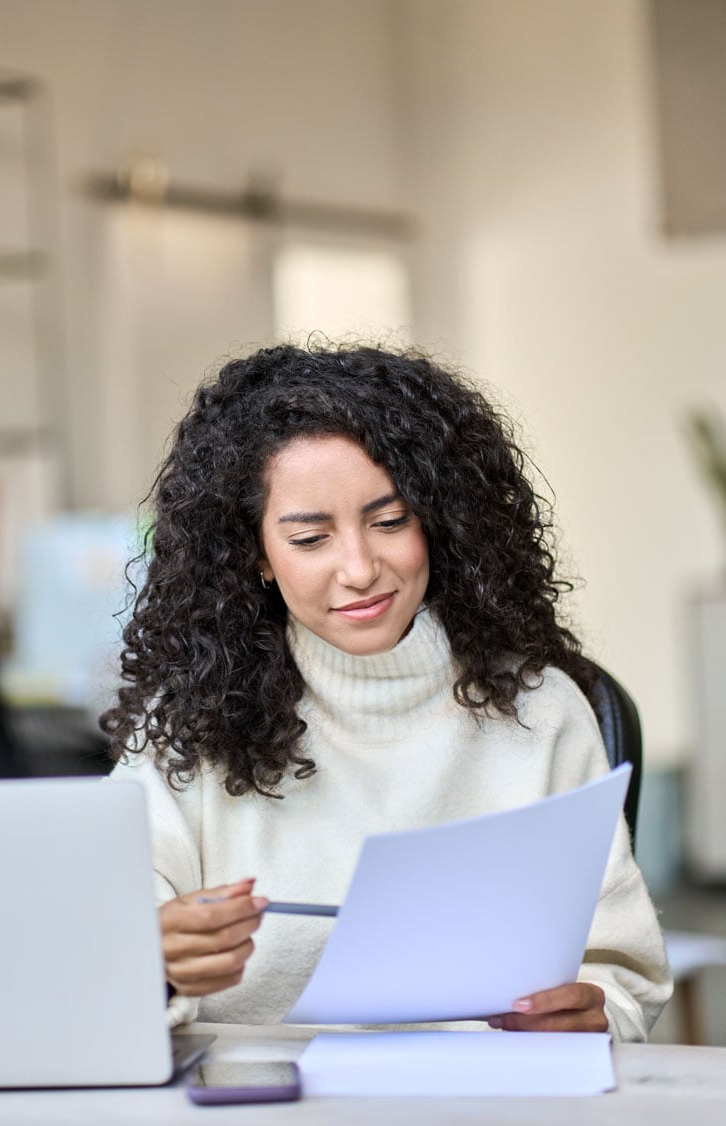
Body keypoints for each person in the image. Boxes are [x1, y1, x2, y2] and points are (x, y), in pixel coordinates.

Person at [102, 343, 672, 1040]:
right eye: (310, 538)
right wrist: (152, 963)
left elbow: (619, 975)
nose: (360, 568)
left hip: (490, 1119)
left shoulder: (541, 709)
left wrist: (591, 1014)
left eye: (391, 521)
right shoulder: (186, 725)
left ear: (439, 519)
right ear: (255, 554)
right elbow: (99, 963)